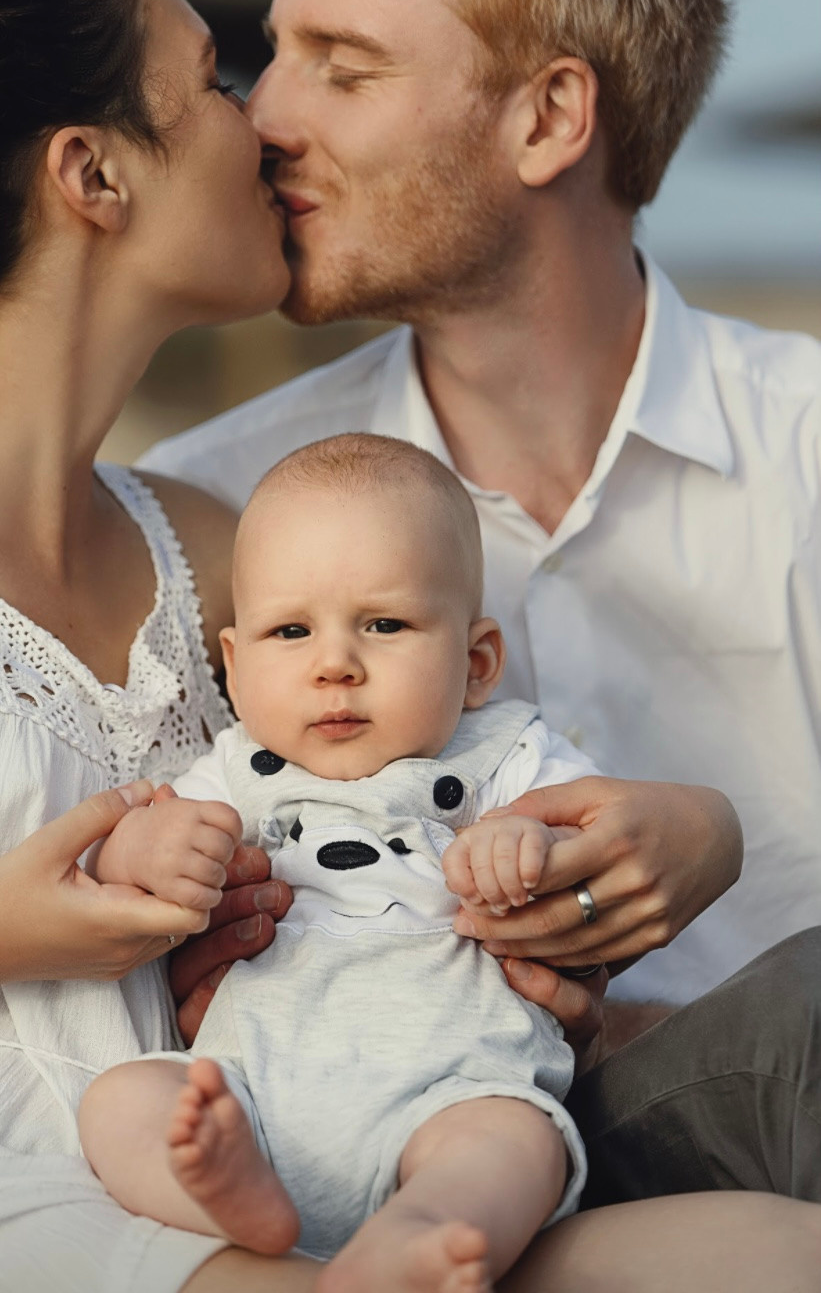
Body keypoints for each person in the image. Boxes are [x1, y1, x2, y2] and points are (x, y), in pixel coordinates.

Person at [0, 0, 817, 1293]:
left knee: (772, 1256)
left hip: (226, 1174)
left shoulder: (223, 545)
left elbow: (393, 834)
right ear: (94, 175)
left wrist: (599, 897)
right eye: (215, 81)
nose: (270, 123)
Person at [144, 0, 821, 1207]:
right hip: (384, 1163)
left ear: (547, 118)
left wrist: (716, 842)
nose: (261, 114)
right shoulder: (212, 510)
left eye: (341, 63)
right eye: (275, 53)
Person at [80, 432, 614, 1293]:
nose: (334, 665)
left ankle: (420, 1232)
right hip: (253, 1087)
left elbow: (594, 836)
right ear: (234, 665)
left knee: (516, 1140)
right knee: (124, 1103)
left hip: (451, 1083)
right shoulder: (235, 768)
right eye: (290, 631)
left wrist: (529, 842)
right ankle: (229, 1202)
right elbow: (119, 856)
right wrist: (150, 849)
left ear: (475, 664)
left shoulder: (504, 755)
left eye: (384, 624)